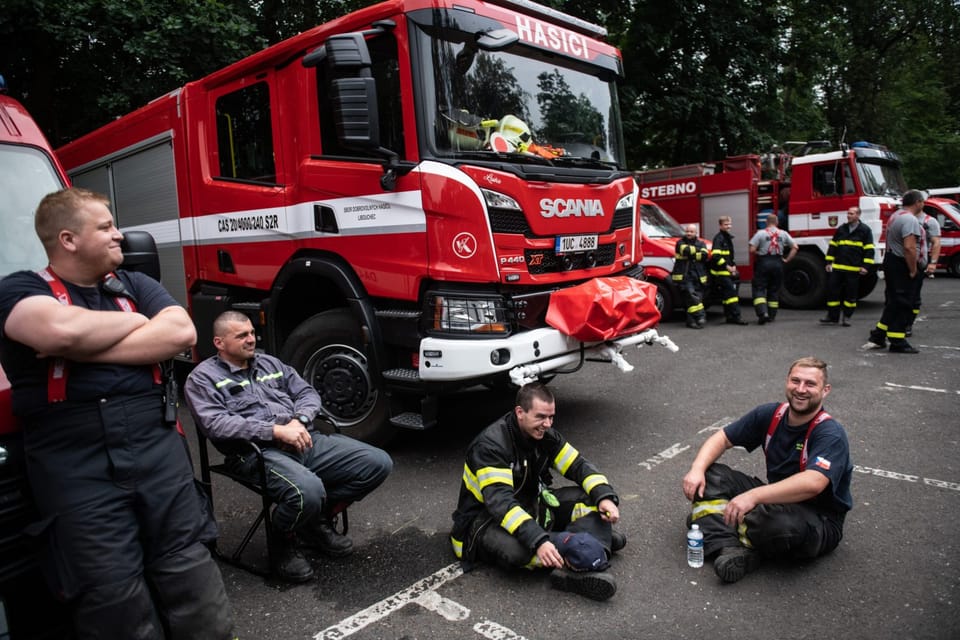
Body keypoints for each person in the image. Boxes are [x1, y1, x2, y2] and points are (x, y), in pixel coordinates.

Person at [0, 188, 234, 638]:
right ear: (68, 239)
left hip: (156, 447)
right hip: (74, 462)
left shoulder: (135, 284)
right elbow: (58, 331)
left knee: (192, 576)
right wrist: (137, 325)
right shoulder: (19, 288)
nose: (119, 235)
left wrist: (88, 346)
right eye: (106, 226)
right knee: (112, 597)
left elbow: (181, 332)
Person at [184, 310, 393, 583]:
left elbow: (307, 393)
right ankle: (283, 542)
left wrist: (299, 420)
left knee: (377, 464)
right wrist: (275, 431)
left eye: (251, 333)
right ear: (219, 343)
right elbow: (216, 424)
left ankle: (312, 521)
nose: (250, 339)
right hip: (255, 453)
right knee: (308, 490)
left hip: (303, 439)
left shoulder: (270, 364)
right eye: (241, 336)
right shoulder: (202, 378)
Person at [681, 357, 852, 584]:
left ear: (825, 390)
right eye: (796, 381)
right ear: (787, 382)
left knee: (777, 524)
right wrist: (697, 469)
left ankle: (721, 532)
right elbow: (722, 438)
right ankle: (729, 547)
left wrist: (752, 496)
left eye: (810, 384)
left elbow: (814, 483)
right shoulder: (771, 414)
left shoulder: (829, 433)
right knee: (712, 476)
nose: (801, 389)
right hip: (775, 500)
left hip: (818, 519)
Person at [450, 383, 625, 601]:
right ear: (520, 413)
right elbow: (501, 505)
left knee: (592, 500)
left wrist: (605, 497)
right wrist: (538, 540)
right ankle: (589, 549)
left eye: (551, 417)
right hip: (484, 523)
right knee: (519, 550)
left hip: (530, 506)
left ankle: (588, 549)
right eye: (541, 417)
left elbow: (578, 466)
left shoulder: (545, 435)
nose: (548, 424)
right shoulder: (491, 446)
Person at [866, 190, 926, 353]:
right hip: (901, 264)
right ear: (918, 202)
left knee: (893, 302)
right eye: (923, 201)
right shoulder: (909, 219)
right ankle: (897, 340)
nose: (923, 204)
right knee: (903, 303)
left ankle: (879, 334)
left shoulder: (896, 216)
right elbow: (909, 247)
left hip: (892, 261)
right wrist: (913, 269)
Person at [820, 206, 875, 326]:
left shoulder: (865, 230)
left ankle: (847, 317)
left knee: (851, 295)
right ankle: (832, 317)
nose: (848, 215)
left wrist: (866, 266)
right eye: (848, 213)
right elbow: (833, 246)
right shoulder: (841, 229)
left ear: (858, 215)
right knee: (832, 292)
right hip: (838, 268)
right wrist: (829, 262)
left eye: (851, 213)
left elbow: (869, 249)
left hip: (853, 269)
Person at [748, 213, 798, 324]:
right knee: (774, 289)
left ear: (766, 222)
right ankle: (772, 316)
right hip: (778, 263)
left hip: (764, 262)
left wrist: (759, 252)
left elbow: (752, 249)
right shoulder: (783, 233)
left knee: (759, 288)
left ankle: (762, 313)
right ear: (777, 222)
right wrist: (787, 260)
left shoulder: (760, 233)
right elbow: (795, 247)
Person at [905, 208, 941, 337]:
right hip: (901, 264)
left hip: (918, 264)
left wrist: (933, 263)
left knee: (914, 297)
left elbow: (936, 242)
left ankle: (908, 323)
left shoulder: (929, 222)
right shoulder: (903, 218)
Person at [709, 216, 748, 325]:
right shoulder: (719, 238)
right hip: (721, 273)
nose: (729, 226)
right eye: (726, 224)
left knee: (727, 296)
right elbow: (716, 256)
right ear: (720, 225)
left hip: (728, 271)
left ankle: (729, 316)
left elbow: (730, 256)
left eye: (729, 224)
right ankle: (737, 317)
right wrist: (727, 266)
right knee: (732, 295)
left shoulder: (727, 238)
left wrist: (733, 265)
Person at [672, 224, 710, 329]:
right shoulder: (680, 243)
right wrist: (697, 252)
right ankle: (701, 316)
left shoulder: (701, 243)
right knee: (692, 296)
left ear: (696, 233)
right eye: (687, 231)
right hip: (685, 275)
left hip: (698, 275)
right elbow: (685, 251)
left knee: (693, 299)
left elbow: (704, 255)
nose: (688, 233)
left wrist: (694, 252)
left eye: (691, 232)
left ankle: (691, 321)